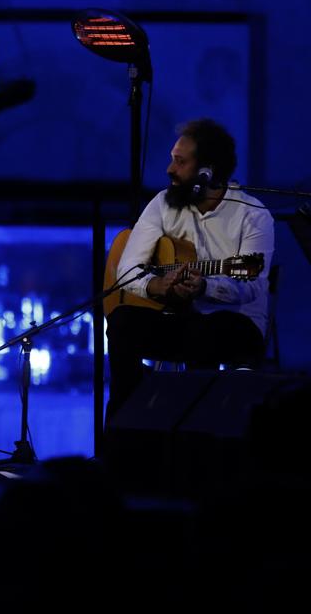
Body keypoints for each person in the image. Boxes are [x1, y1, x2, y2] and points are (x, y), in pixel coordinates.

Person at [107, 118, 274, 423]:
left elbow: (253, 286)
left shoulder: (254, 214)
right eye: (173, 159)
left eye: (180, 162)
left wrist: (204, 288)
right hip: (178, 318)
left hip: (237, 324)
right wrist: (158, 287)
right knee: (121, 321)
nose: (170, 170)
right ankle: (123, 430)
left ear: (207, 171)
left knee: (205, 330)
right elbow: (127, 268)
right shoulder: (163, 204)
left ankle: (199, 436)